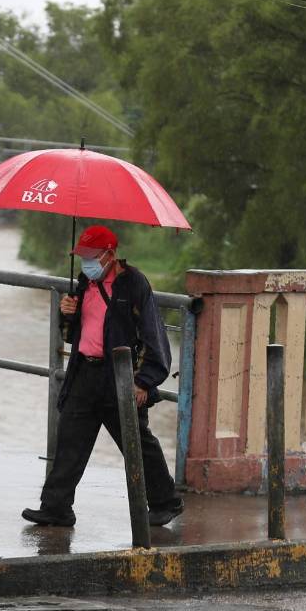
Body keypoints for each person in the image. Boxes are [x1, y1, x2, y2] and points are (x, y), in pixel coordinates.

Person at [22, 224, 185, 528]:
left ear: (110, 254)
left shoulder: (134, 284)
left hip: (120, 376)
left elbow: (154, 337)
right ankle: (56, 507)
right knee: (70, 440)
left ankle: (166, 502)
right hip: (84, 371)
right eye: (81, 255)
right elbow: (74, 334)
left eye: (90, 255)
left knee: (136, 442)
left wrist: (143, 381)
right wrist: (67, 313)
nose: (85, 262)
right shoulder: (85, 282)